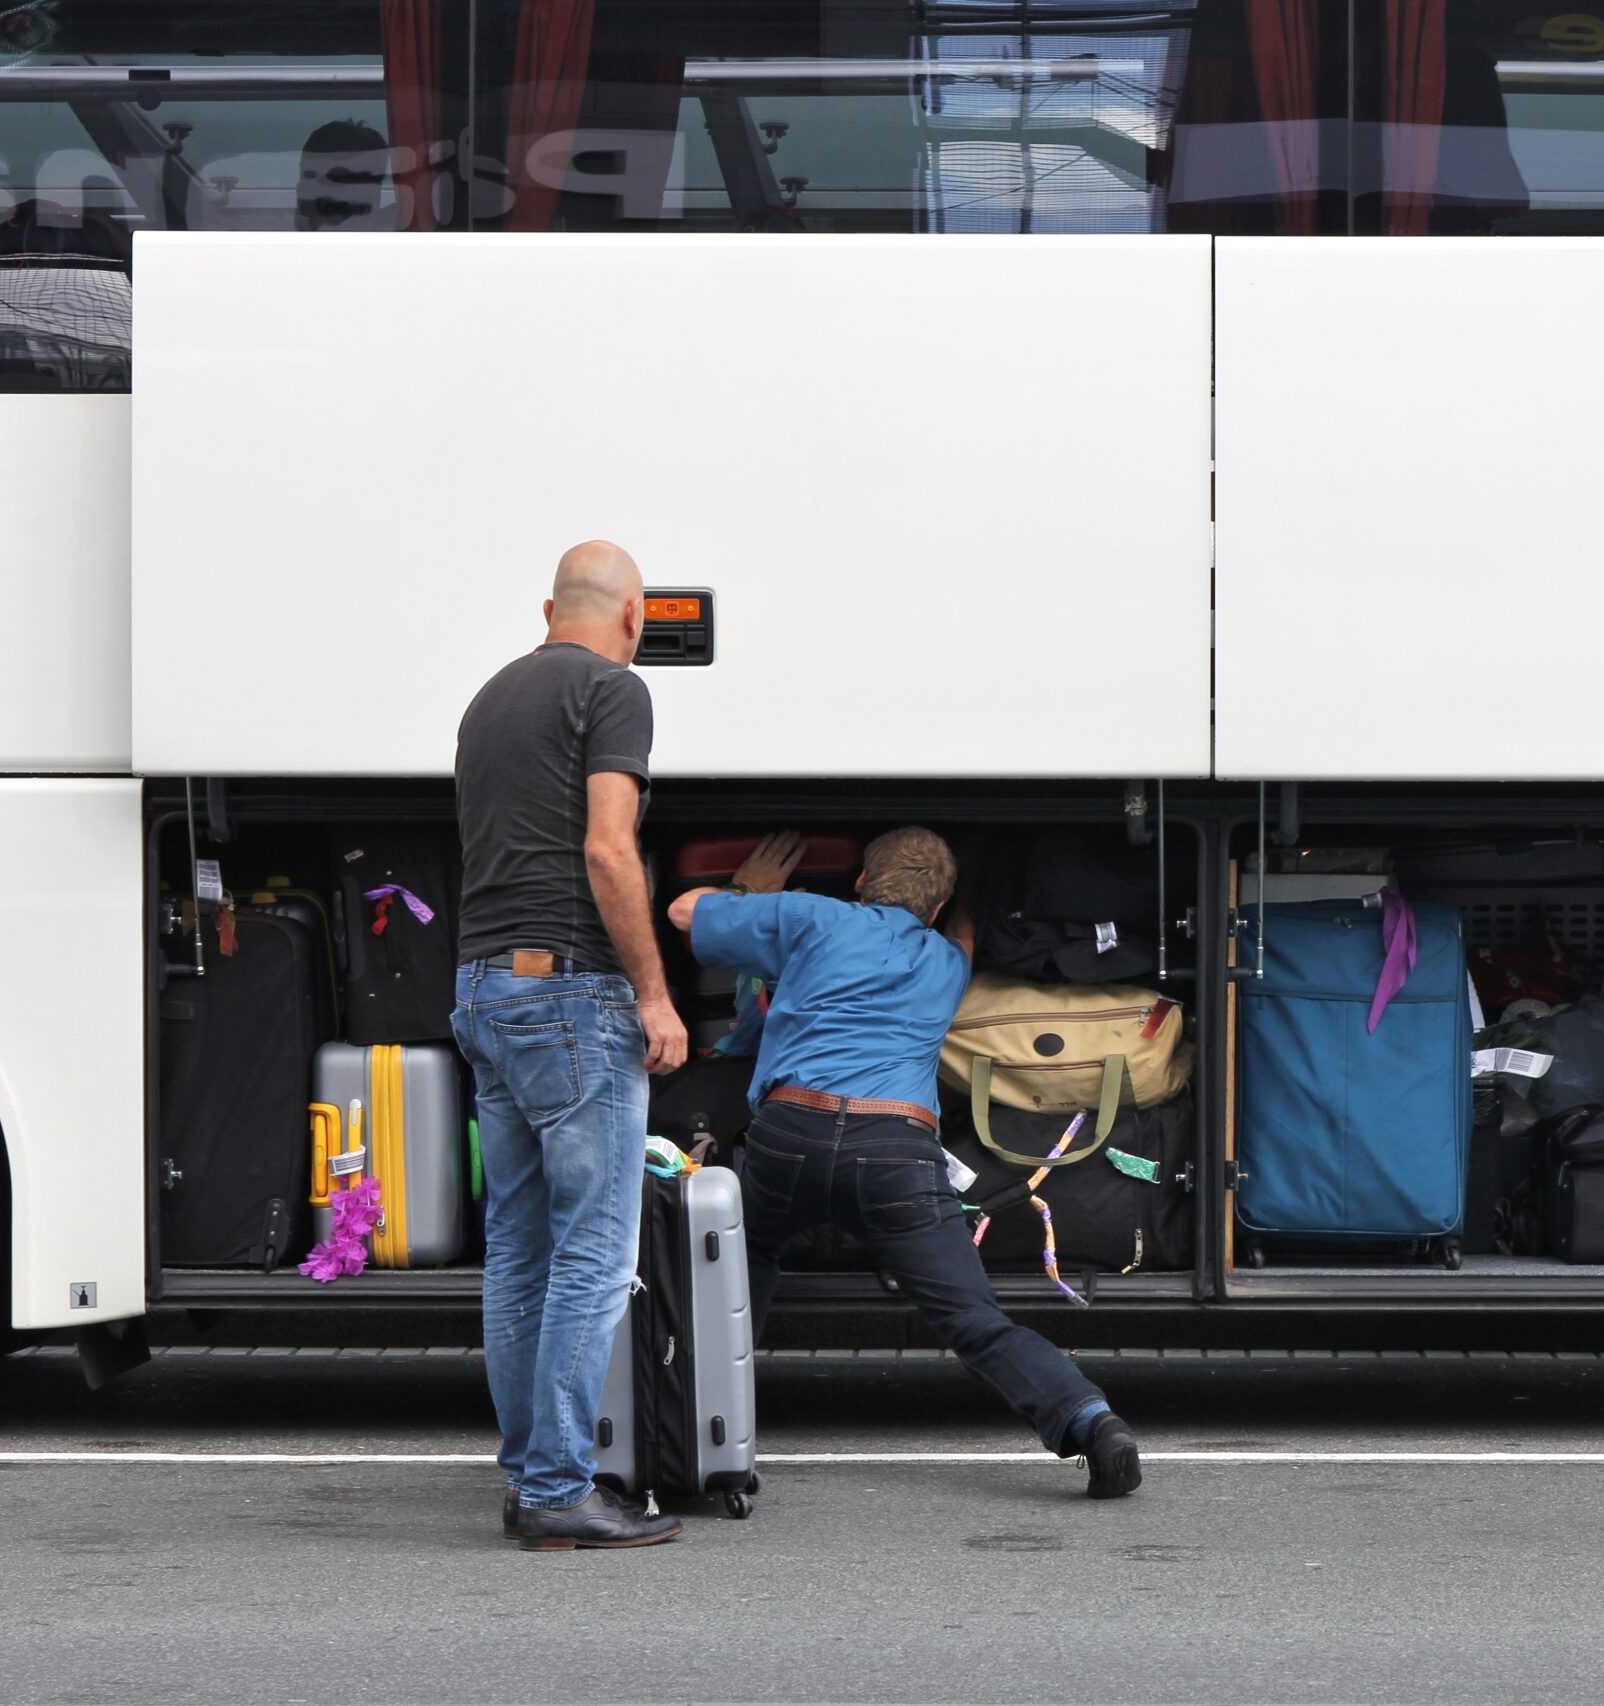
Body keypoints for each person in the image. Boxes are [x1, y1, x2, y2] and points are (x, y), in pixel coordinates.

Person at [669, 828, 1144, 1498]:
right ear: (938, 908)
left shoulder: (812, 916)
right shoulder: (946, 961)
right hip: (896, 1151)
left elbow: (683, 914)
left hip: (791, 1133)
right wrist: (967, 885)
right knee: (974, 1321)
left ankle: (692, 1432)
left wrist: (751, 893)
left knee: (738, 1286)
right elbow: (970, 939)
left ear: (861, 882)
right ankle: (1091, 1422)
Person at [451, 539, 690, 1551]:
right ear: (633, 617)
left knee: (518, 1245)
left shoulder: (489, 698)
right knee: (593, 1246)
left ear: (551, 606)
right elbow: (605, 845)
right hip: (569, 993)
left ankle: (528, 1474)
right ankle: (556, 1484)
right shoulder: (612, 691)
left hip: (482, 986)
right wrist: (653, 992)